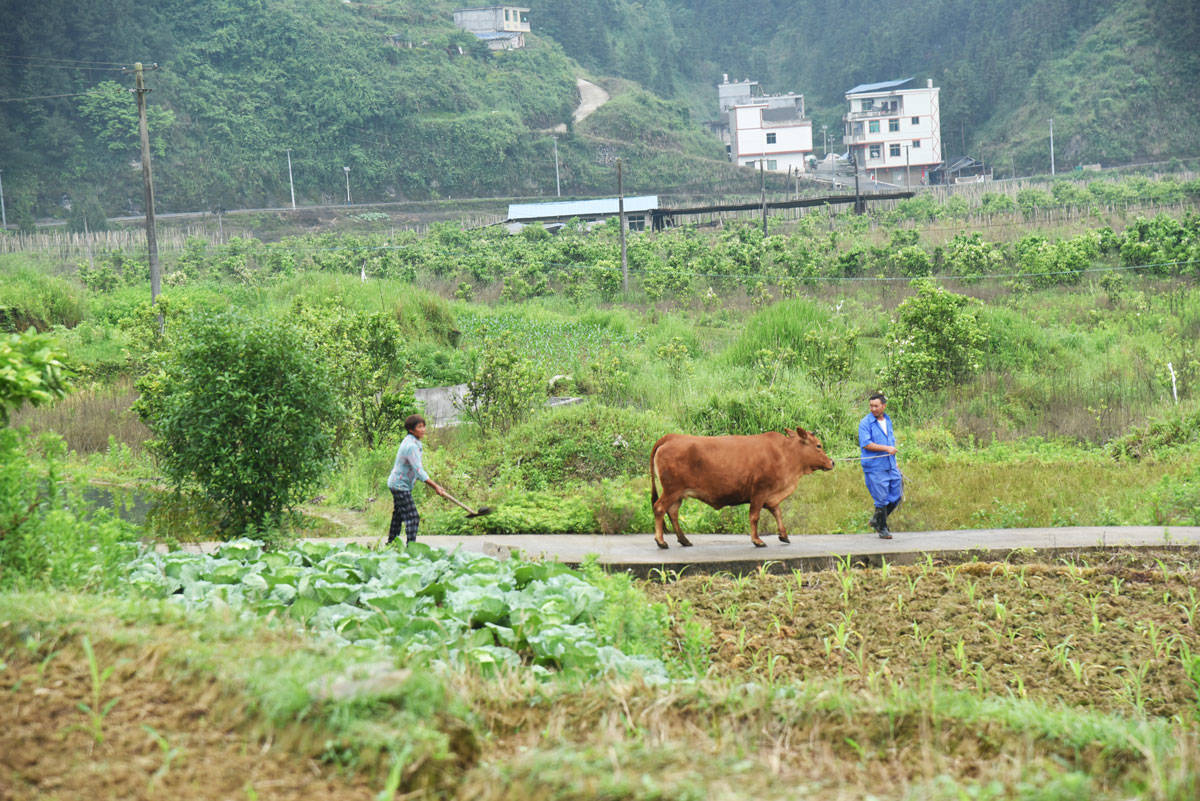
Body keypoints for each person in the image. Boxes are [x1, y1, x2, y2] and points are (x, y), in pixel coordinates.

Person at [386, 414, 449, 545]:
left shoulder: (413, 441)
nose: (423, 429)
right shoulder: (411, 446)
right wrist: (436, 486)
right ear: (411, 429)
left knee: (398, 515)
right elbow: (419, 471)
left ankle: (391, 544)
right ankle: (411, 548)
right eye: (419, 427)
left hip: (399, 483)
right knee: (413, 517)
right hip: (399, 485)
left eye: (424, 426)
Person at [858, 393, 903, 539]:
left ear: (883, 406)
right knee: (881, 498)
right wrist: (886, 449)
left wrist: (894, 460)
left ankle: (877, 519)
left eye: (876, 406)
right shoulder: (865, 423)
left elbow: (891, 440)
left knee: (896, 495)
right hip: (874, 466)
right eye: (871, 406)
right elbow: (867, 444)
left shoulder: (888, 420)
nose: (873, 409)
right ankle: (883, 528)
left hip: (890, 464)